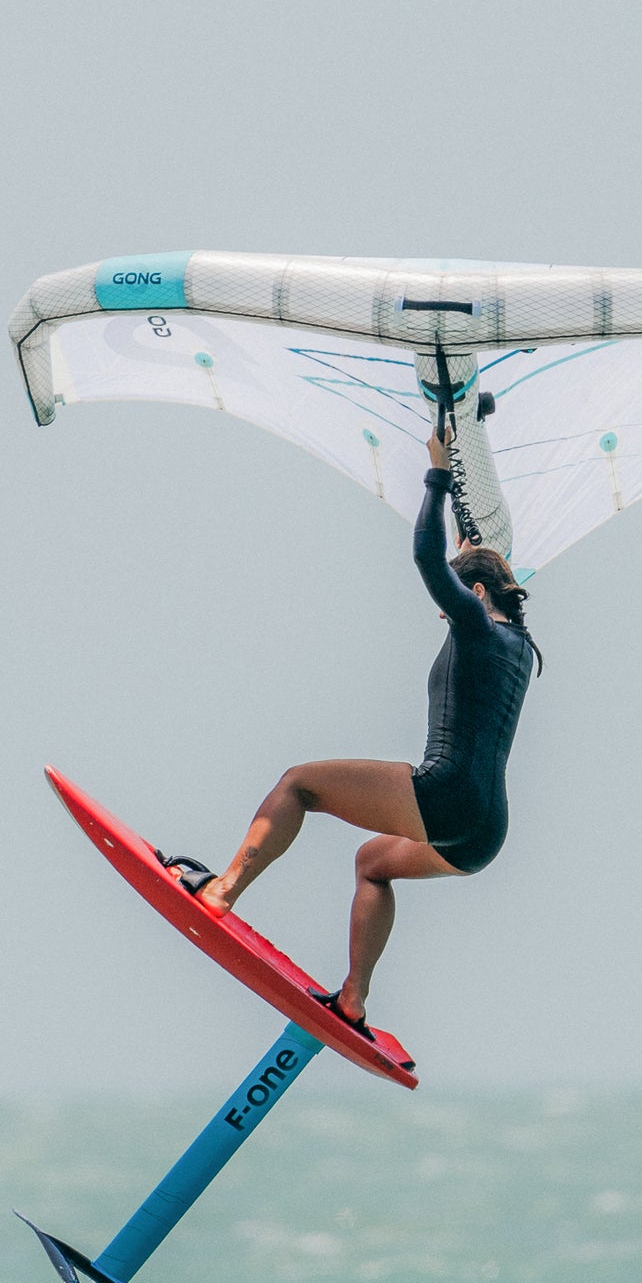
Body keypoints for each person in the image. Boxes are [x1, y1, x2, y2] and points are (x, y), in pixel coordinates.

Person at [173, 427, 542, 1037]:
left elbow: (428, 559)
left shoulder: (474, 621)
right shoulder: (521, 648)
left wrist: (437, 474)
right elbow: (469, 561)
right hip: (487, 831)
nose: (445, 614)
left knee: (299, 784)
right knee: (373, 863)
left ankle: (222, 890)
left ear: (475, 595)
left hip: (445, 793)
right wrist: (464, 506)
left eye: (453, 602)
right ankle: (353, 998)